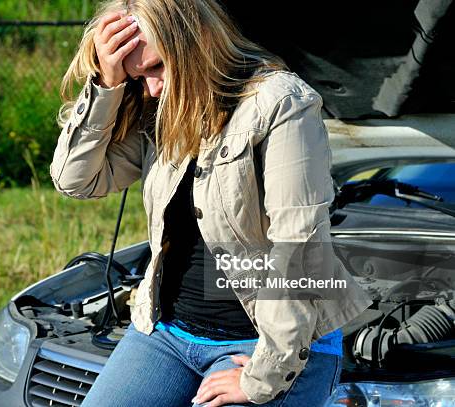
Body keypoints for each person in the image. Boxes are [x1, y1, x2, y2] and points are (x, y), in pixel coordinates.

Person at [49, 0, 373, 406]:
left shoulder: (281, 102)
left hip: (268, 344)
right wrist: (106, 84)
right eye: (137, 76)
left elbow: (300, 247)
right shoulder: (161, 104)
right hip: (167, 334)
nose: (150, 88)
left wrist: (261, 379)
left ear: (195, 43)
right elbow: (76, 180)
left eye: (156, 67)